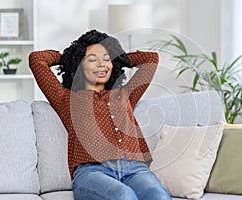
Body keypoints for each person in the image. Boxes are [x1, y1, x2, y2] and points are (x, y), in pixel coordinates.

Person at [29, 29, 171, 200]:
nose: (102, 64)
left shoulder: (125, 94)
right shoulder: (67, 99)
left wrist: (117, 58)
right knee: (124, 196)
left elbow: (151, 59)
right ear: (79, 64)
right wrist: (70, 57)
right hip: (93, 171)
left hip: (135, 169)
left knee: (158, 196)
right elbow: (37, 60)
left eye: (106, 58)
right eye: (92, 59)